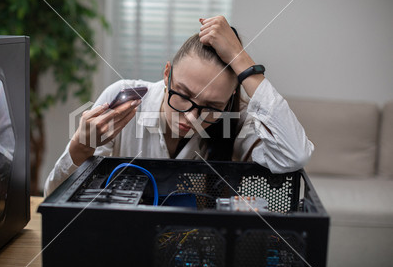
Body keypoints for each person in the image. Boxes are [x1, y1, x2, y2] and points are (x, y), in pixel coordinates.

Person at [44, 16, 314, 196]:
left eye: (210, 107)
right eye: (183, 95)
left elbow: (295, 155)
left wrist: (242, 61)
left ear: (231, 97)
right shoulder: (124, 97)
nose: (192, 117)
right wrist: (80, 146)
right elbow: (52, 196)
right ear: (166, 74)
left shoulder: (235, 121)